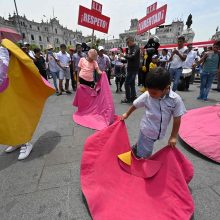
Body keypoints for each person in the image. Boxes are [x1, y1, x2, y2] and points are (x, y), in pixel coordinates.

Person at [121, 67, 186, 158]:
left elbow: (177, 118)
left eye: (154, 93)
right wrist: (127, 114)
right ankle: (140, 161)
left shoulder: (175, 100)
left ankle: (137, 148)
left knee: (144, 144)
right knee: (145, 155)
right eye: (149, 91)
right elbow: (136, 104)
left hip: (159, 132)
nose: (151, 95)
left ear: (166, 88)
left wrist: (173, 136)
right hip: (147, 130)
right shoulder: (148, 95)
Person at [121, 36, 140, 104]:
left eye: (128, 42)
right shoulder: (131, 48)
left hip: (133, 69)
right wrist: (123, 60)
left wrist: (124, 56)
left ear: (132, 41)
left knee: (127, 83)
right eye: (126, 43)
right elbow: (129, 58)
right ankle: (133, 97)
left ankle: (128, 98)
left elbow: (133, 56)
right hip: (131, 68)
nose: (127, 44)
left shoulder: (136, 48)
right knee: (131, 84)